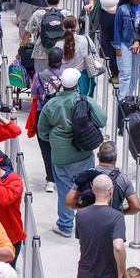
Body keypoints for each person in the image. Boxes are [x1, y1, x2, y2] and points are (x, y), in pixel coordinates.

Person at [37, 67, 106, 237]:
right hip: (84, 152)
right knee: (87, 188)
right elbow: (102, 120)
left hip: (61, 155)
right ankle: (88, 225)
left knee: (65, 190)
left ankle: (66, 225)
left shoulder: (51, 104)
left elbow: (42, 131)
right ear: (76, 83)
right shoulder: (86, 101)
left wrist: (54, 137)